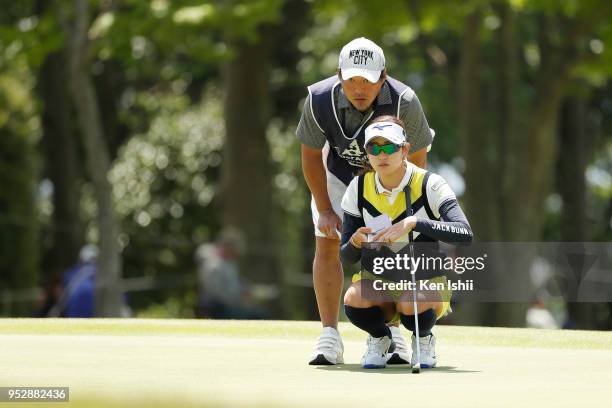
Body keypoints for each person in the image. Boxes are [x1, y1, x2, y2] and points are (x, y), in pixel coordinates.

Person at [298, 37, 434, 365]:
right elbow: (311, 156)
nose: (360, 88)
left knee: (389, 251)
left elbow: (415, 159)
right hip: (336, 175)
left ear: (383, 77)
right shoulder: (318, 99)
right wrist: (327, 210)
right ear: (339, 75)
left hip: (390, 177)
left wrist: (400, 210)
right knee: (327, 244)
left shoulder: (406, 101)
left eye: (368, 81)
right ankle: (329, 336)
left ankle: (394, 335)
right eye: (352, 79)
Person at [340, 116, 472, 368]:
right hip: (379, 281)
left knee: (412, 301)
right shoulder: (357, 188)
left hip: (424, 282)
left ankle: (423, 339)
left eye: (389, 147)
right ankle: (381, 338)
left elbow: (464, 233)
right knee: (354, 298)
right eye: (373, 147)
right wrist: (355, 243)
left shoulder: (430, 183)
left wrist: (415, 223)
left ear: (405, 150)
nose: (381, 154)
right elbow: (346, 257)